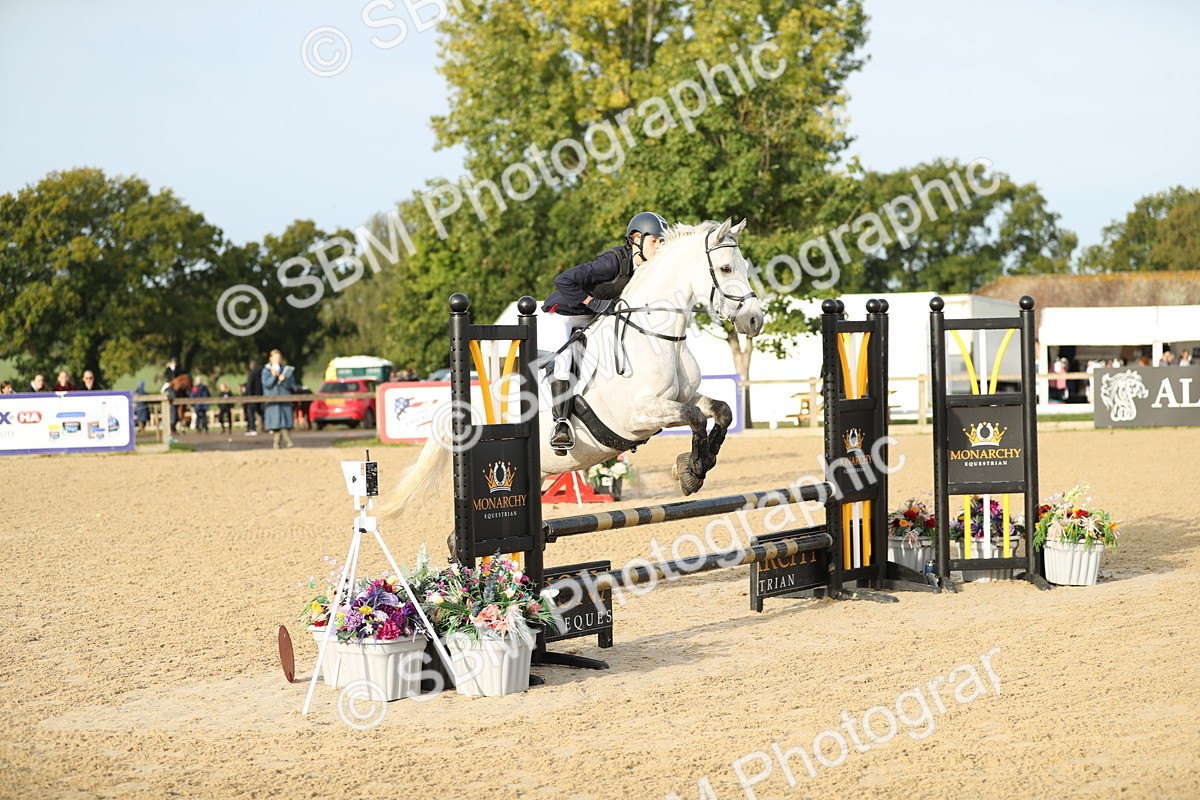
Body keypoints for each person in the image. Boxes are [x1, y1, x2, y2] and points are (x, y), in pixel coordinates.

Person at [540, 211, 669, 449]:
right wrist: (592, 302)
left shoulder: (644, 271)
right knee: (565, 358)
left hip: (593, 319)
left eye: (662, 242)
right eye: (655, 241)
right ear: (636, 239)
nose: (659, 247)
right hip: (563, 315)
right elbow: (564, 280)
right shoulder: (612, 262)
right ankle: (560, 424)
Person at [262, 349, 296, 449]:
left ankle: (276, 443)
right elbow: (266, 384)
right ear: (270, 359)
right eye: (275, 358)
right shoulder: (266, 371)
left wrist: (284, 379)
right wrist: (274, 376)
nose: (277, 360)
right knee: (277, 423)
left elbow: (291, 384)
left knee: (283, 421)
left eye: (279, 358)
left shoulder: (285, 369)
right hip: (272, 399)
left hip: (284, 398)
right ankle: (288, 441)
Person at [244, 359, 264, 436]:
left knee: (250, 411)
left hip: (252, 395)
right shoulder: (261, 372)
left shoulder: (252, 373)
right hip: (261, 394)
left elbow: (249, 384)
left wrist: (246, 394)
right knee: (260, 411)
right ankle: (266, 426)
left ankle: (252, 428)